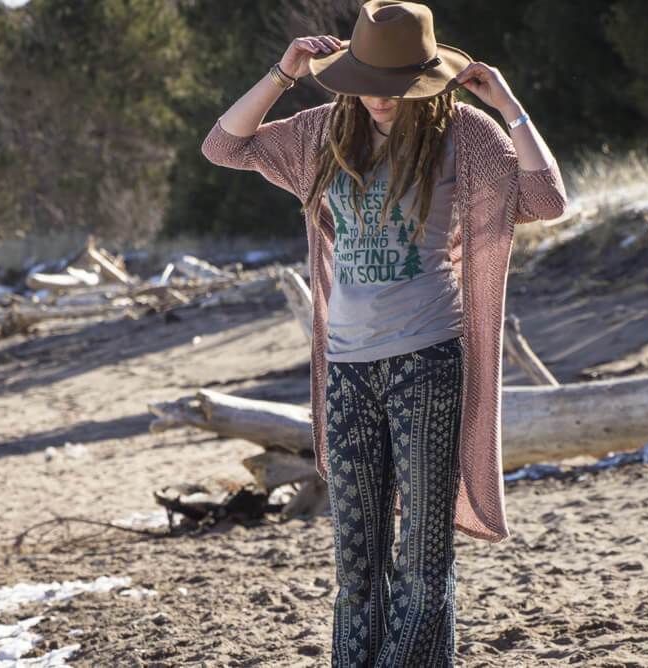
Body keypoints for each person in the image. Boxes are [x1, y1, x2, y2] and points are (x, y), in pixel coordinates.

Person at [201, 1, 567, 665]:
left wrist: (511, 106)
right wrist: (283, 74)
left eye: (394, 86)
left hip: (428, 361)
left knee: (424, 561)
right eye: (367, 81)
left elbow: (545, 201)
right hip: (347, 370)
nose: (378, 98)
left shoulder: (465, 135)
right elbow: (225, 146)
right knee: (356, 570)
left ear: (426, 81)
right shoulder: (322, 133)